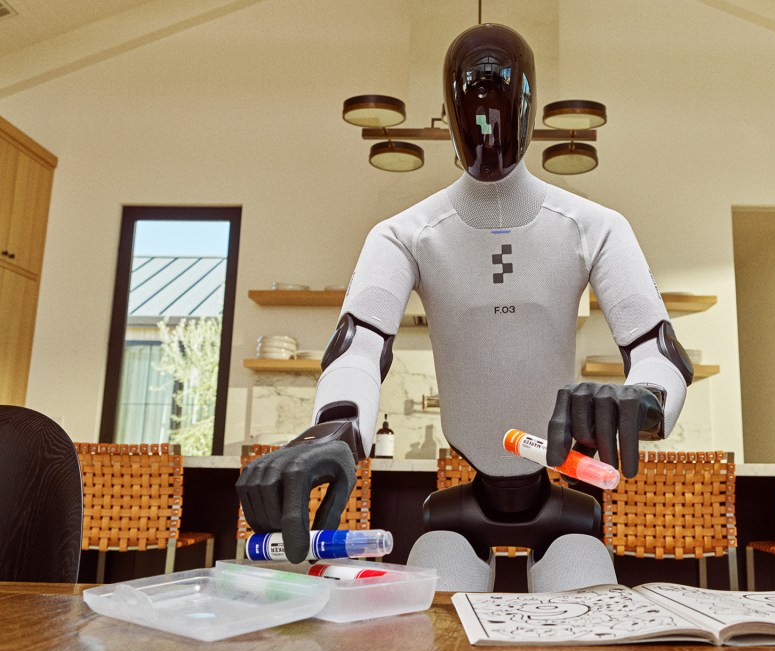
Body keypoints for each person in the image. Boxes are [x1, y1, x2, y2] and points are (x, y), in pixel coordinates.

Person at [237, 23, 692, 592]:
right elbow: (359, 346)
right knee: (440, 623)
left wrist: (643, 398)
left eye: (501, 89)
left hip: (564, 509)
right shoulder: (403, 234)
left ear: (529, 102)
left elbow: (659, 350)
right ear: (450, 108)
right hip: (458, 512)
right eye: (472, 91)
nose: (488, 109)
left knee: (583, 611)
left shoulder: (595, 226)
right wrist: (335, 428)